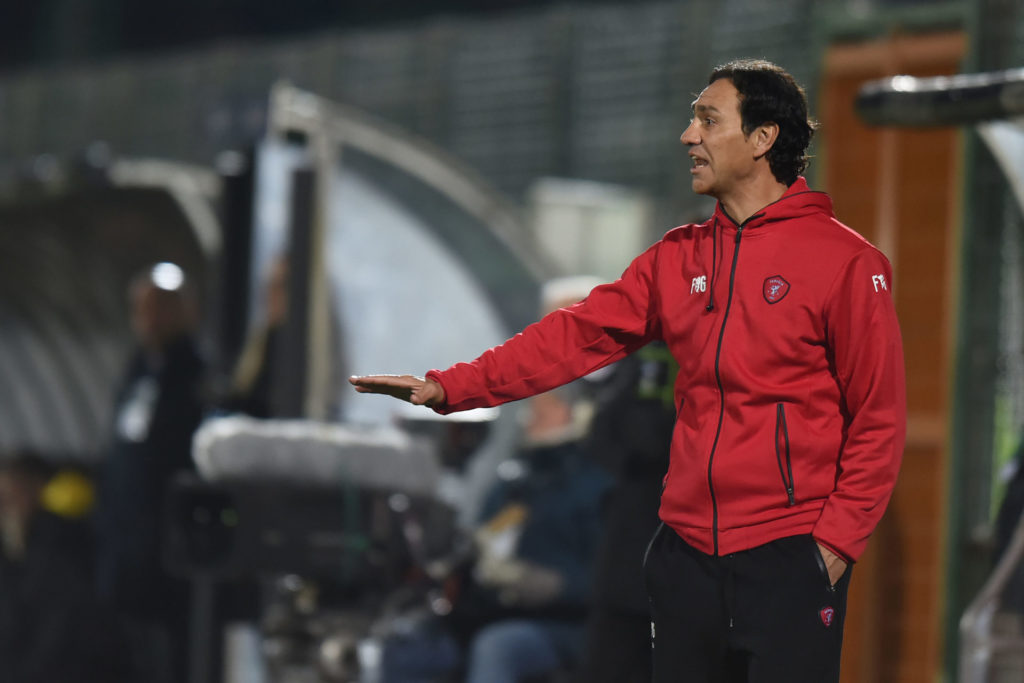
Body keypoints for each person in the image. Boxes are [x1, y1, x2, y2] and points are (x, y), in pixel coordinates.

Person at [350, 59, 906, 683]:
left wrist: (830, 549)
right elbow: (571, 337)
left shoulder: (848, 263)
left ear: (762, 138)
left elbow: (879, 422)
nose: (688, 136)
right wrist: (451, 386)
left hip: (789, 557)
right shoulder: (676, 257)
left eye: (708, 120)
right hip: (684, 558)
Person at [380, 379, 612, 683]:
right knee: (408, 645)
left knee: (497, 648)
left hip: (569, 624)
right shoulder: (514, 478)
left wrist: (556, 585)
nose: (529, 417)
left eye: (544, 408)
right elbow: (483, 534)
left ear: (577, 412)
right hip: (491, 610)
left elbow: (614, 579)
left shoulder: (599, 486)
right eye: (530, 408)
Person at [94, 262, 208, 683]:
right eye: (143, 308)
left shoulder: (195, 376)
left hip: (168, 554)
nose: (150, 318)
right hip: (126, 548)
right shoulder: (137, 372)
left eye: (161, 307)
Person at [572, 341, 677, 683]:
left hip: (667, 555)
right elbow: (608, 437)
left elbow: (639, 438)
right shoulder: (649, 356)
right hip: (632, 557)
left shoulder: (662, 355)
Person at [0, 452, 124, 682]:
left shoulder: (61, 544)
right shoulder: (13, 550)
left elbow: (57, 628)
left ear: (38, 490)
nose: (6, 508)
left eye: (11, 496)